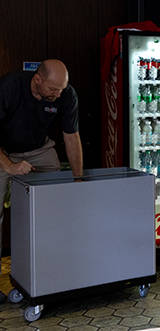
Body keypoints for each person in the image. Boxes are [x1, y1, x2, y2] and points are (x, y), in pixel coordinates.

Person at [0, 59, 83, 300]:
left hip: (39, 149)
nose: (58, 95)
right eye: (53, 90)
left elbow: (71, 138)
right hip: (4, 152)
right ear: (37, 80)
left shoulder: (66, 95)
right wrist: (11, 166)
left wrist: (78, 179)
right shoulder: (9, 87)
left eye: (62, 89)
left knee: (55, 205)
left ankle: (53, 270)